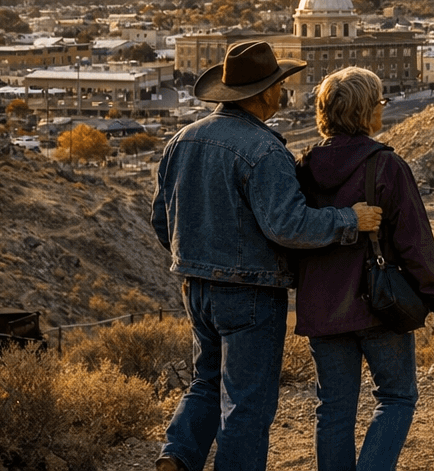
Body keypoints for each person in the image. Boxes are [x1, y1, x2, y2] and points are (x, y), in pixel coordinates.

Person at [151, 40, 383, 471]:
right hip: (251, 293)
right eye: (278, 84)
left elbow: (161, 220)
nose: (282, 91)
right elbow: (289, 225)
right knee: (247, 403)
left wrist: (196, 259)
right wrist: (349, 219)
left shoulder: (181, 141)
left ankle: (177, 457)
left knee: (206, 380)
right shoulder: (264, 150)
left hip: (195, 288)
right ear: (262, 94)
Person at [294, 66, 434, 471]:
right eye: (379, 102)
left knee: (333, 408)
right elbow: (413, 239)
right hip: (378, 302)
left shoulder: (302, 168)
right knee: (397, 397)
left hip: (322, 306)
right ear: (366, 113)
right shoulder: (385, 166)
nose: (383, 109)